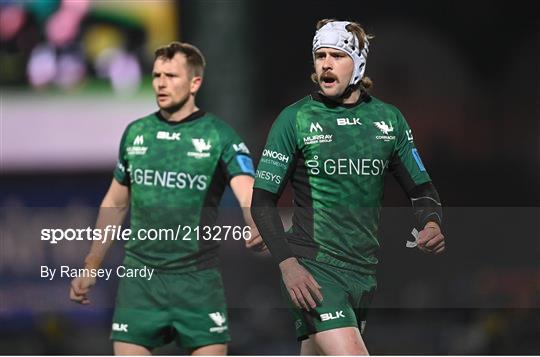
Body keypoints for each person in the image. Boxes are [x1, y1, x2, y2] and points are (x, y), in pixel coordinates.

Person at [251, 19, 445, 355]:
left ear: (358, 64)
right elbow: (262, 201)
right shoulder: (295, 119)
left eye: (336, 55)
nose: (325, 63)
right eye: (320, 55)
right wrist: (288, 265)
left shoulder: (389, 120)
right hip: (313, 269)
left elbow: (421, 187)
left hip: (363, 272)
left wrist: (430, 222)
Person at [69, 42, 265, 355]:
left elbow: (247, 189)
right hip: (140, 283)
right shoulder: (137, 133)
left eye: (171, 75)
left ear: (195, 82)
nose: (161, 82)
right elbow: (116, 203)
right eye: (157, 75)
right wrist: (91, 264)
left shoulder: (219, 135)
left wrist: (255, 220)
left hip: (197, 283)